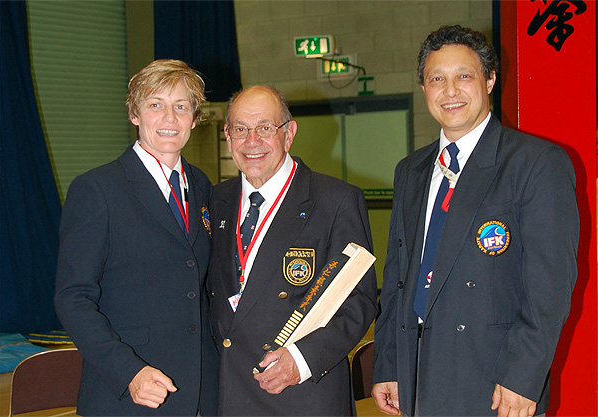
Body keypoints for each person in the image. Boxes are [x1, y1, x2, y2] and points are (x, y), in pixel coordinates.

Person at [372, 25, 579, 417]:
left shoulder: (535, 164)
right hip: (417, 375)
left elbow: (548, 289)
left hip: (495, 383)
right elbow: (399, 277)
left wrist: (523, 377)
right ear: (424, 88)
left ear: (489, 80)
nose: (450, 91)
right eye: (437, 79)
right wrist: (388, 363)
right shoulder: (410, 170)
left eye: (464, 76)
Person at [54, 59, 218, 416]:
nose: (169, 118)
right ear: (135, 114)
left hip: (202, 391)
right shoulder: (98, 189)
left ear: (194, 117)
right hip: (131, 395)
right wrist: (129, 371)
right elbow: (73, 298)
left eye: (181, 106)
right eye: (155, 105)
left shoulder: (202, 186)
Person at [206, 85, 378, 416]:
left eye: (265, 128)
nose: (251, 141)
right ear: (228, 136)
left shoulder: (335, 200)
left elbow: (359, 300)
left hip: (302, 395)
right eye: (240, 129)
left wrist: (301, 360)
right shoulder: (215, 201)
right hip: (229, 394)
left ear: (289, 133)